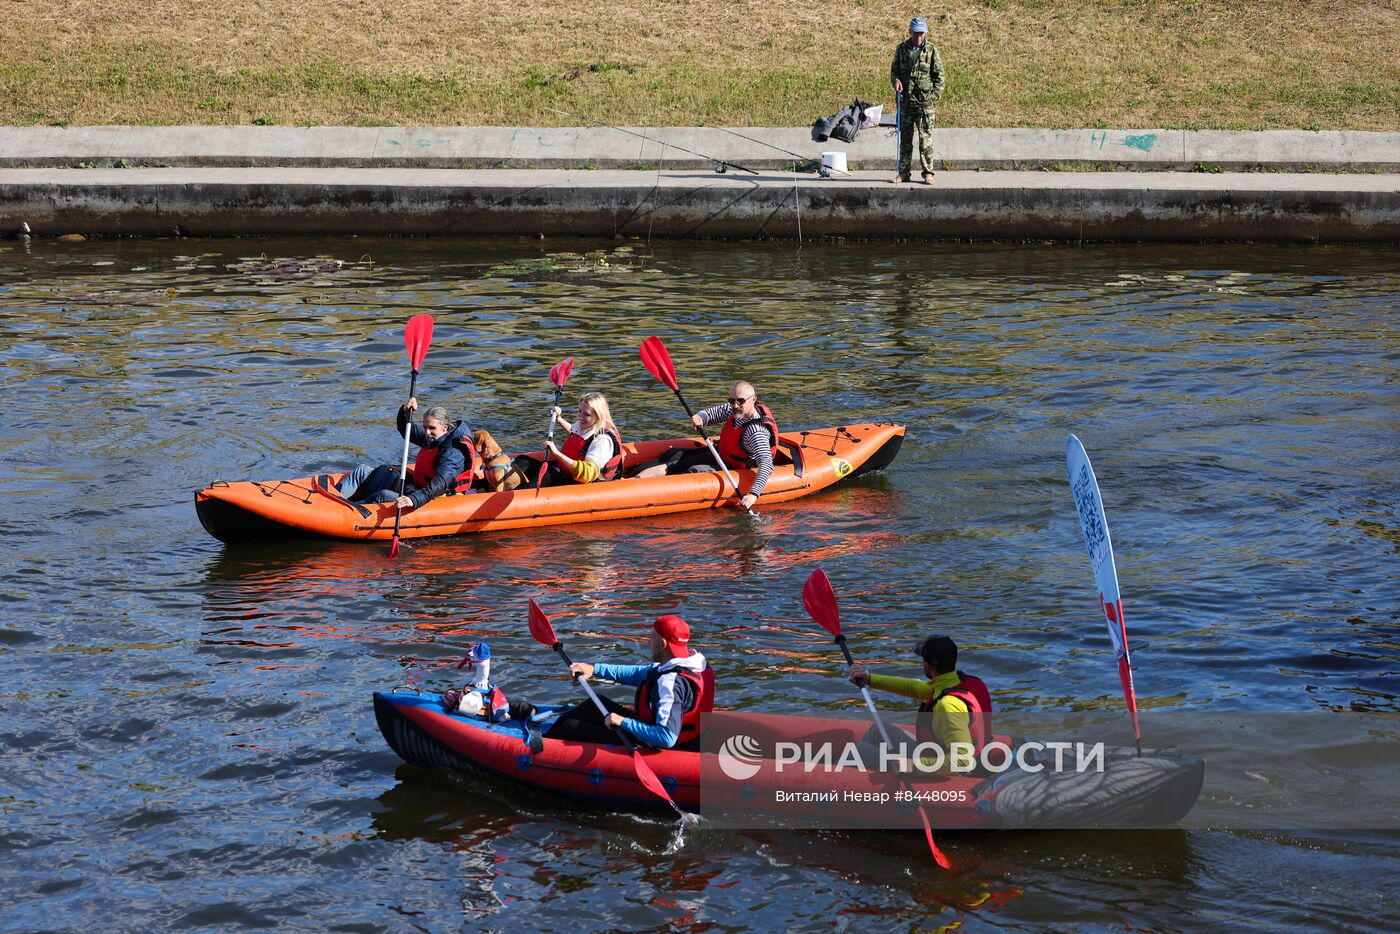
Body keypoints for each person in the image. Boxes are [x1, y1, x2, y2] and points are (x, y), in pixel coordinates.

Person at [544, 615, 715, 750]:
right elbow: (638, 673)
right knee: (594, 704)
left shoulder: (670, 683)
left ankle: (534, 749)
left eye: (652, 637)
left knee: (573, 727)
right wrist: (594, 669)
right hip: (685, 735)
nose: (648, 642)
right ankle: (546, 735)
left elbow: (667, 738)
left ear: (662, 644)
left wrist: (623, 722)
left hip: (659, 745)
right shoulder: (691, 663)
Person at [848, 635, 993, 771]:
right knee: (878, 730)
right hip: (950, 756)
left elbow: (963, 760)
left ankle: (835, 783)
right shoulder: (968, 683)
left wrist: (915, 765)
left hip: (950, 772)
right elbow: (915, 688)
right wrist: (869, 679)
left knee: (858, 752)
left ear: (927, 665)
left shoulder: (948, 705)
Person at [634, 380, 778, 512]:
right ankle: (633, 482)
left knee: (694, 471)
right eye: (731, 401)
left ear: (753, 399)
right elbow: (713, 413)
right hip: (721, 454)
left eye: (740, 401)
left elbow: (766, 464)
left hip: (733, 468)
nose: (735, 405)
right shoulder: (735, 410)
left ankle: (647, 494)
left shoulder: (756, 432)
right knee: (675, 458)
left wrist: (753, 494)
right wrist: (700, 418)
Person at [336, 398, 476, 509]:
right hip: (413, 486)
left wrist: (413, 499)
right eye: (425, 427)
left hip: (428, 496)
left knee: (383, 495)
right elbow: (407, 430)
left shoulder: (452, 451)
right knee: (363, 470)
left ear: (445, 427)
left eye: (431, 428)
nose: (427, 432)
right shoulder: (435, 436)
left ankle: (347, 512)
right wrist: (405, 411)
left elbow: (441, 483)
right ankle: (332, 500)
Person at [512, 391, 624, 488]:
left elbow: (586, 474)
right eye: (580, 411)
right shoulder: (587, 425)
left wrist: (556, 453)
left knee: (546, 475)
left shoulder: (602, 441)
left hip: (579, 484)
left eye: (586, 414)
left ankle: (517, 501)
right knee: (523, 460)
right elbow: (575, 435)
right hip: (565, 472)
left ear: (598, 418)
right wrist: (559, 419)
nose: (580, 417)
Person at [890, 16, 945, 185]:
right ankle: (903, 173)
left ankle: (928, 173)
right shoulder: (902, 49)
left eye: (922, 33)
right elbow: (894, 72)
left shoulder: (931, 50)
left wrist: (933, 97)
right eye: (916, 33)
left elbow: (939, 78)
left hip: (924, 105)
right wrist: (896, 81)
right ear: (910, 32)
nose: (919, 37)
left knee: (925, 140)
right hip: (906, 103)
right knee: (905, 140)